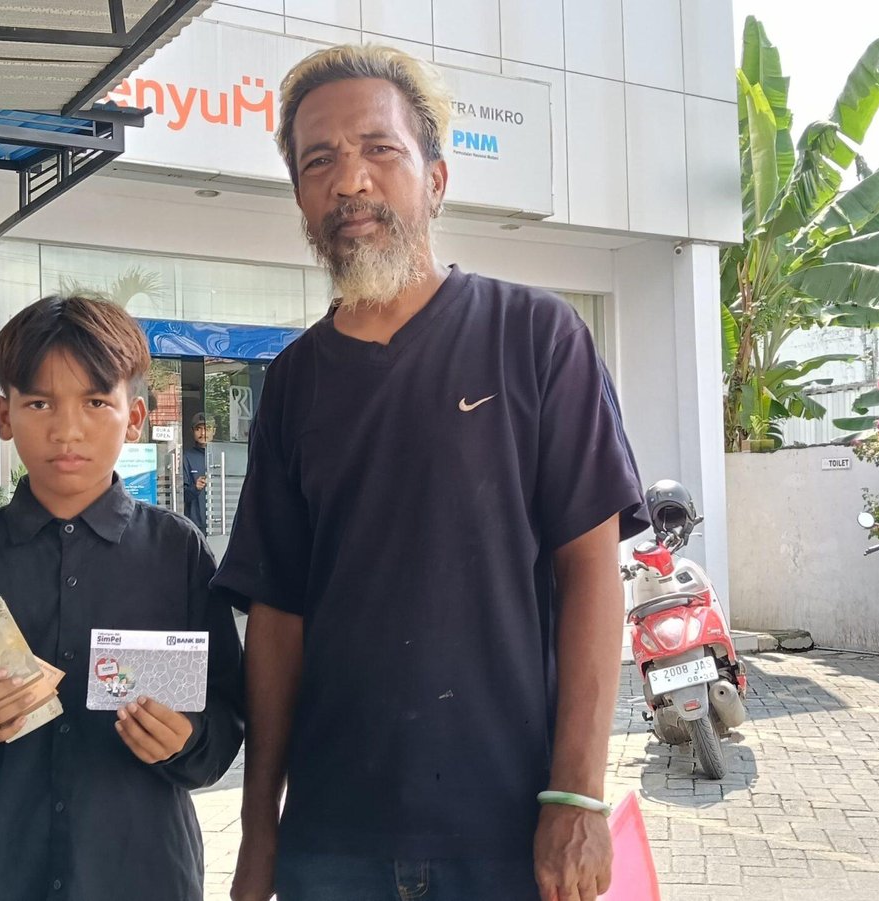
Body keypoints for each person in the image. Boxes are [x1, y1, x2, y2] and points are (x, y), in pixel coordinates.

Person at [213, 44, 647, 901]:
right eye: (319, 160)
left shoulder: (537, 337)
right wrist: (259, 834)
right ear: (300, 198)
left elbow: (592, 570)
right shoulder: (293, 382)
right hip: (332, 843)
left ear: (437, 179)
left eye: (380, 149)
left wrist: (577, 795)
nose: (350, 180)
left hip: (510, 833)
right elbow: (278, 618)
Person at [0, 293, 244, 901]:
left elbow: (225, 721)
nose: (66, 429)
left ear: (134, 417)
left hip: (143, 876)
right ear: (4, 415)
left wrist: (185, 739)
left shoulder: (176, 553)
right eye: (39, 403)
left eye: (95, 402)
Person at [182, 413, 213, 533]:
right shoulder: (186, 457)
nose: (203, 433)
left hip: (221, 522)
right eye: (198, 429)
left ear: (214, 431)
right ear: (192, 431)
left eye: (207, 429)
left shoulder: (222, 456)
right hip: (196, 525)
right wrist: (196, 487)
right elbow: (182, 495)